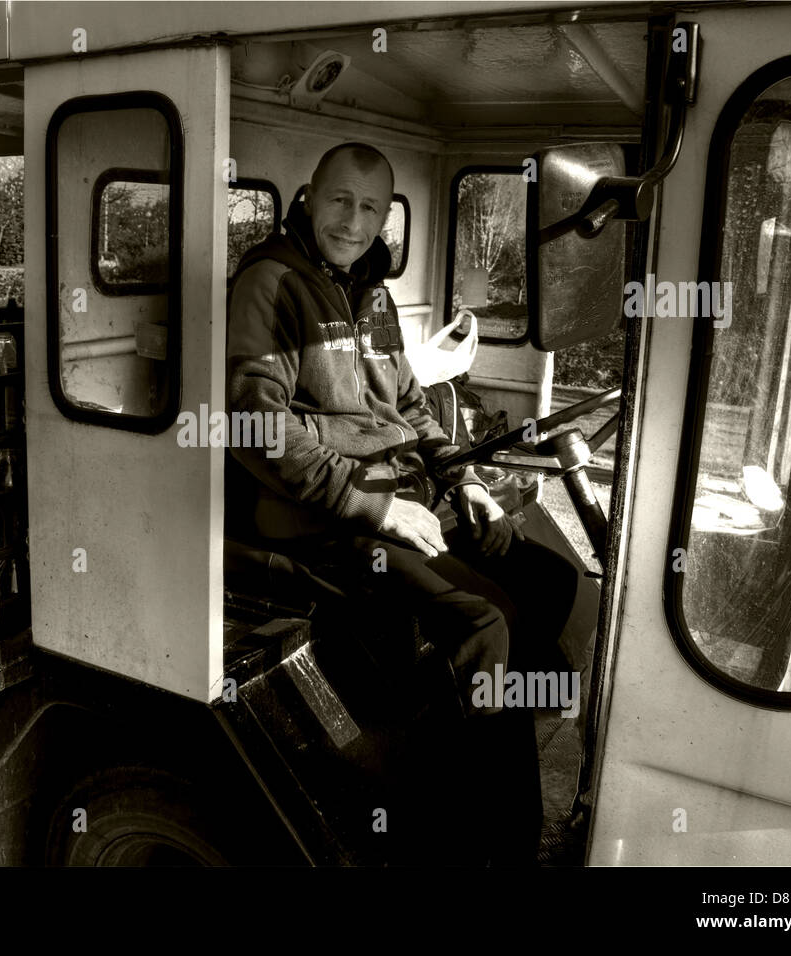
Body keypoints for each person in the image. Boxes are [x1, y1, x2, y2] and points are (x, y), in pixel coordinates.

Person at [226, 142, 578, 863]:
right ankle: (484, 843)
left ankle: (482, 743)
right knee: (488, 623)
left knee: (550, 579)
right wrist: (374, 509)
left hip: (402, 491)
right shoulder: (271, 285)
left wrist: (466, 482)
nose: (352, 222)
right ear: (308, 196)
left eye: (369, 208)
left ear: (385, 216)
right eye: (339, 202)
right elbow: (254, 425)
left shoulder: (372, 295)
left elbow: (414, 412)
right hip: (317, 516)